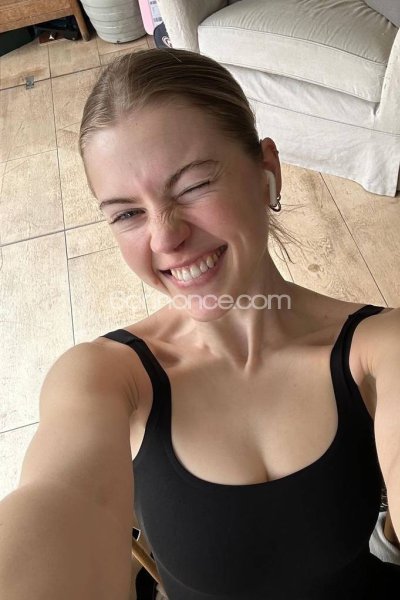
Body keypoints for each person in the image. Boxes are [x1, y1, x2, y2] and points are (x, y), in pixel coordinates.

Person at [0, 48, 399, 600]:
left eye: (192, 187)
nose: (165, 237)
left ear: (267, 173)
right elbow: (59, 501)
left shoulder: (380, 347)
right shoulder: (104, 378)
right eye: (128, 213)